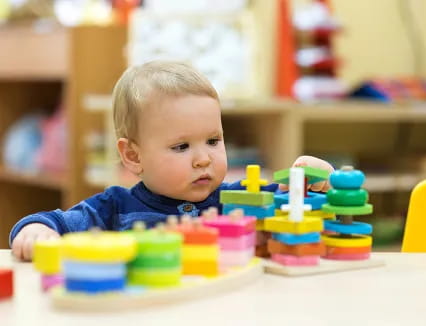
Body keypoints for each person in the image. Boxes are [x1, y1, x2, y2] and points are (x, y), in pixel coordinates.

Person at [9, 61, 334, 260]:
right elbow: (54, 223)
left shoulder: (241, 200)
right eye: (181, 147)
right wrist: (37, 231)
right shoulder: (114, 207)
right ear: (133, 156)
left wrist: (312, 181)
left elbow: (296, 208)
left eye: (213, 141)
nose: (203, 159)